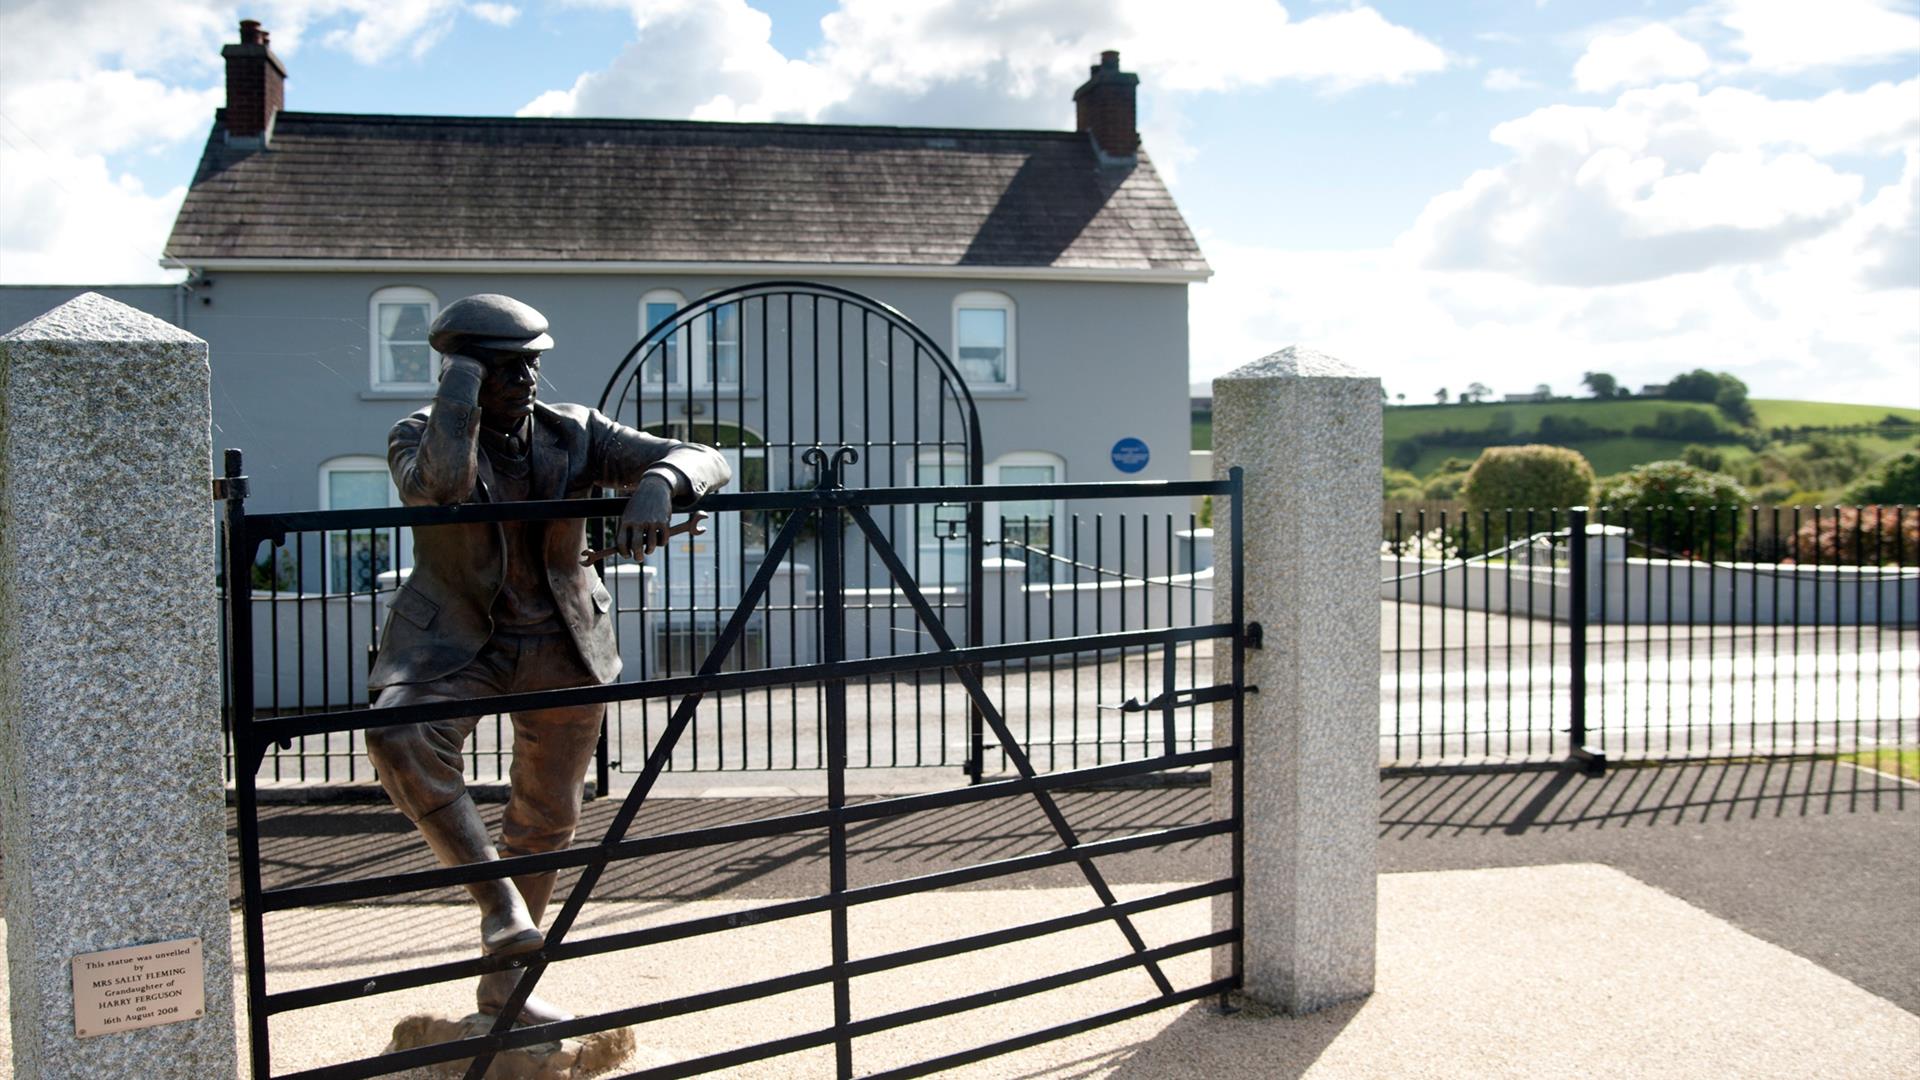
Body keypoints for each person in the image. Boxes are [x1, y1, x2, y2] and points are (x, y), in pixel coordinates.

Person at [364, 293, 729, 1024]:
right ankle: (501, 906)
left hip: (563, 639)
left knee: (547, 815)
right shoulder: (418, 436)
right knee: (398, 734)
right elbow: (440, 486)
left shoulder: (575, 433)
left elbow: (707, 456)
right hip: (456, 638)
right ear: (463, 375)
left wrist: (658, 484)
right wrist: (460, 397)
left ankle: (508, 989)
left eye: (531, 365)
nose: (527, 379)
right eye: (506, 369)